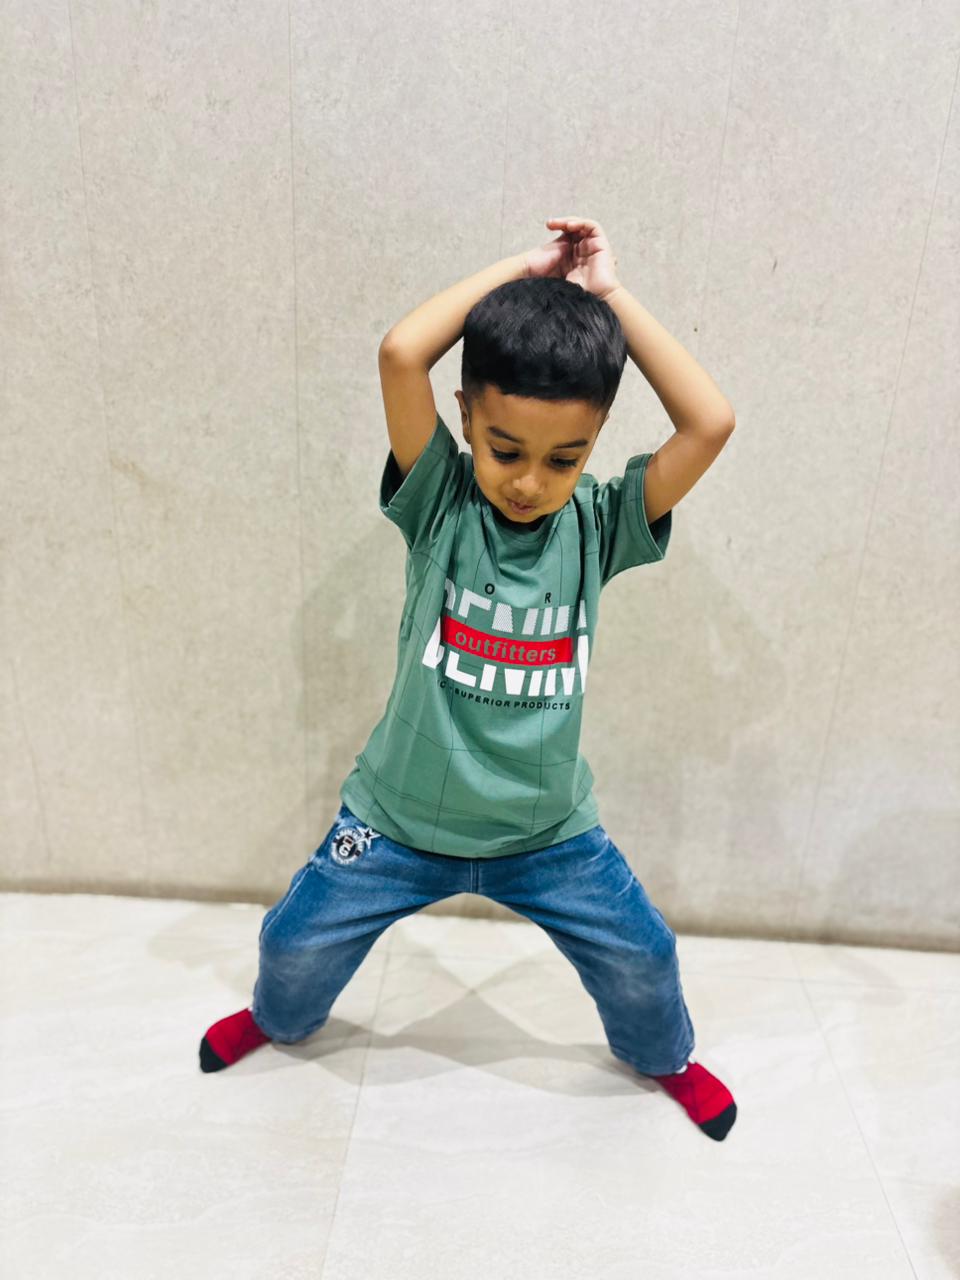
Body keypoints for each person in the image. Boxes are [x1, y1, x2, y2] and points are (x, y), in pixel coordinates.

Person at [200, 217, 738, 1141]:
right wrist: (525, 271)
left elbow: (710, 422)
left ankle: (666, 1059)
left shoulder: (601, 525)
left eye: (564, 458)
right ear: (464, 418)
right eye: (505, 449)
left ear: (596, 440)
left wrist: (610, 297)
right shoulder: (441, 501)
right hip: (398, 821)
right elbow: (401, 352)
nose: (529, 482)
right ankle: (277, 1022)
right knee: (291, 945)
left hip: (548, 833)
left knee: (645, 958)